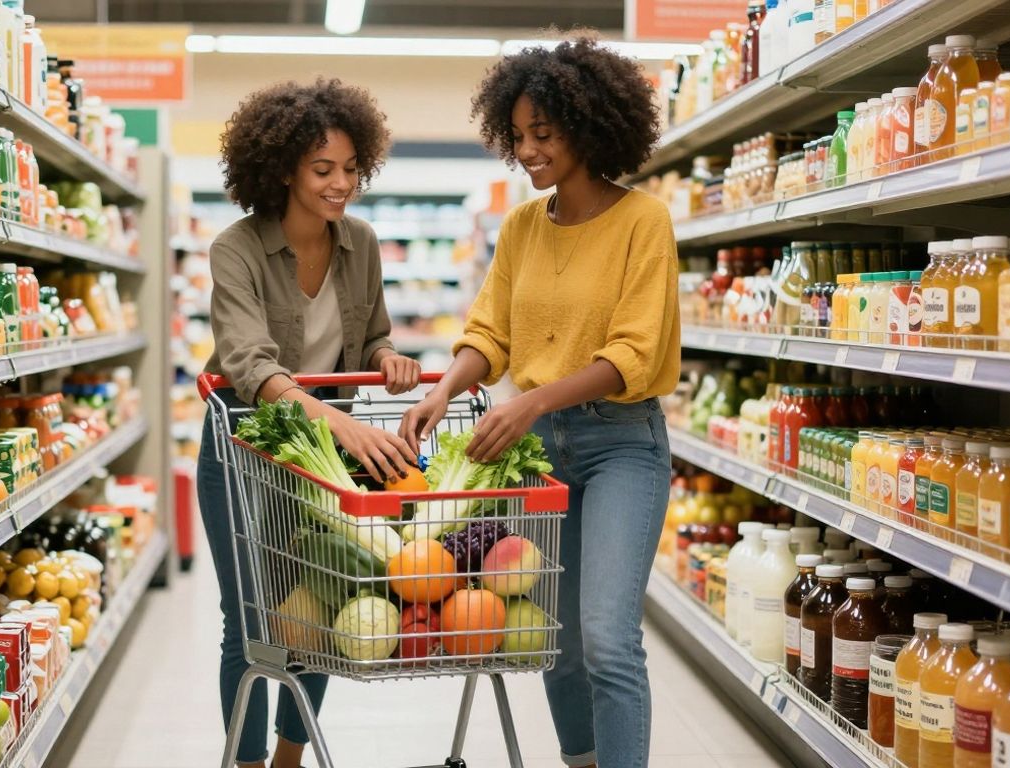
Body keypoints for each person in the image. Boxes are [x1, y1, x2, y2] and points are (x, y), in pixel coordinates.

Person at [400, 34, 680, 768]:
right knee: (553, 639)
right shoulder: (522, 227)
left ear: (588, 128)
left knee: (608, 640)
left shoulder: (643, 223)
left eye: (544, 135)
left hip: (623, 444)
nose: (527, 151)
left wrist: (530, 400)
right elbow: (490, 332)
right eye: (518, 136)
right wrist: (444, 389)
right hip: (540, 452)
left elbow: (633, 354)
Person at [199, 78, 422, 768]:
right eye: (323, 169)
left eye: (352, 169)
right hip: (243, 447)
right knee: (250, 621)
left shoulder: (361, 243)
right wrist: (345, 427)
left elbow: (373, 333)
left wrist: (388, 357)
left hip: (322, 455)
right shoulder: (236, 250)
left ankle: (291, 757)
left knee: (318, 607)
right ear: (284, 169)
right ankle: (246, 760)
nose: (341, 184)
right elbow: (253, 368)